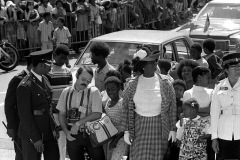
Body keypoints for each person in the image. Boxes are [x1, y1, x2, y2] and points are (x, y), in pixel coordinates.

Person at [121, 45, 177, 159]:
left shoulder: (166, 83)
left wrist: (172, 129)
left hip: (160, 127)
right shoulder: (132, 84)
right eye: (151, 63)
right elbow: (125, 107)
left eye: (155, 61)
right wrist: (126, 130)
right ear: (143, 66)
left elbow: (172, 107)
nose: (155, 64)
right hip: (138, 127)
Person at [16, 49, 60, 160]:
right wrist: (35, 138)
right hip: (32, 134)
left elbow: (48, 107)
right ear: (41, 65)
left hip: (47, 131)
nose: (51, 66)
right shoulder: (25, 86)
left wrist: (54, 128)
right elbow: (25, 116)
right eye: (49, 64)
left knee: (54, 156)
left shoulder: (44, 79)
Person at [57, 66, 105, 160]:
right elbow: (61, 114)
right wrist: (66, 132)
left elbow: (97, 114)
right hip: (72, 135)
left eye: (88, 81)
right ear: (77, 75)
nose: (85, 83)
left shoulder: (93, 92)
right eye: (83, 79)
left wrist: (78, 124)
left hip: (91, 134)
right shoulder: (66, 92)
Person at [211, 53, 240, 160]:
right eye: (234, 67)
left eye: (239, 67)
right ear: (226, 70)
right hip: (223, 131)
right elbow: (214, 113)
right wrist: (214, 137)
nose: (237, 70)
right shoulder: (219, 87)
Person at [46, 44, 72, 160]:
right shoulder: (49, 72)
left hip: (65, 113)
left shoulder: (68, 72)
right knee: (58, 140)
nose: (63, 60)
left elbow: (70, 92)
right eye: (61, 57)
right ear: (54, 55)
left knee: (64, 140)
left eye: (65, 58)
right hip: (55, 113)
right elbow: (47, 95)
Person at [4, 55, 32, 160]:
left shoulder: (37, 78)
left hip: (32, 125)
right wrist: (11, 126)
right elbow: (9, 105)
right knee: (21, 154)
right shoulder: (17, 80)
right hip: (19, 126)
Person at [103, 74, 129, 160]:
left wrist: (115, 140)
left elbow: (126, 125)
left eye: (113, 89)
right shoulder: (107, 103)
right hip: (109, 138)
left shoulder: (122, 103)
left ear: (118, 88)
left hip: (120, 139)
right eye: (108, 90)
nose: (110, 92)